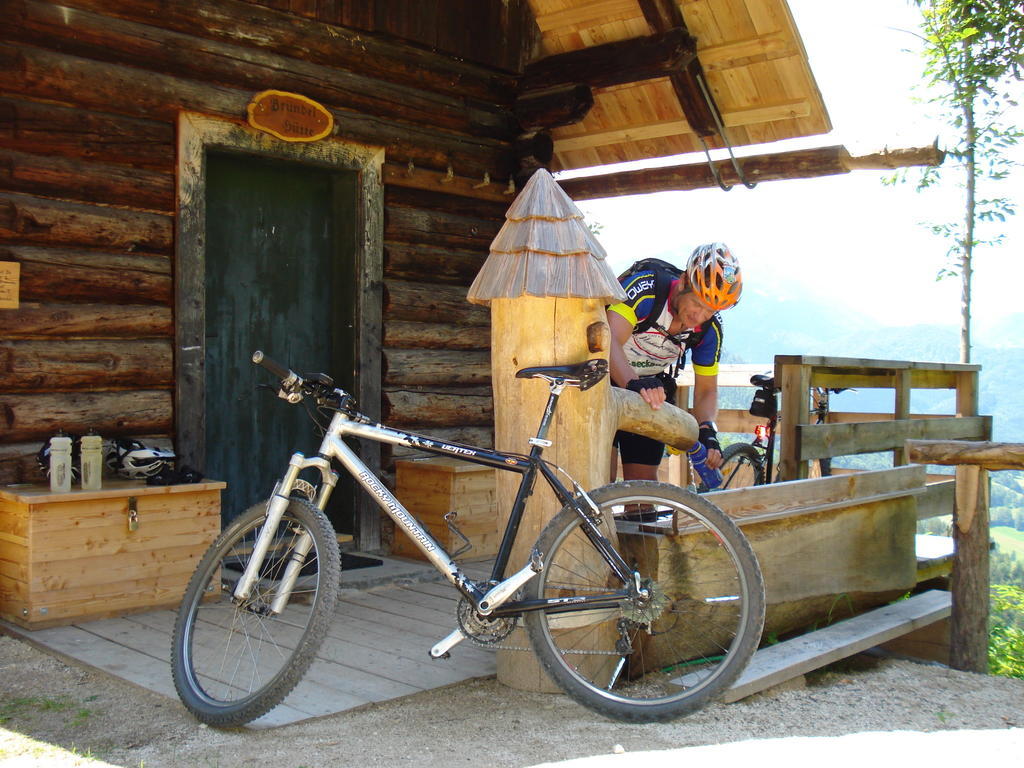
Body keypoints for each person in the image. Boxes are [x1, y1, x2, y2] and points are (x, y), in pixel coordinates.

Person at [606, 242, 742, 485]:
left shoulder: (710, 329)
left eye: (709, 311)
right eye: (698, 304)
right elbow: (609, 341)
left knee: (643, 491)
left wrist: (707, 429)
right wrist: (633, 382)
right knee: (600, 481)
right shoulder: (646, 289)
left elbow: (707, 390)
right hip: (606, 379)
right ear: (683, 281)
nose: (699, 317)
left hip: (650, 390)